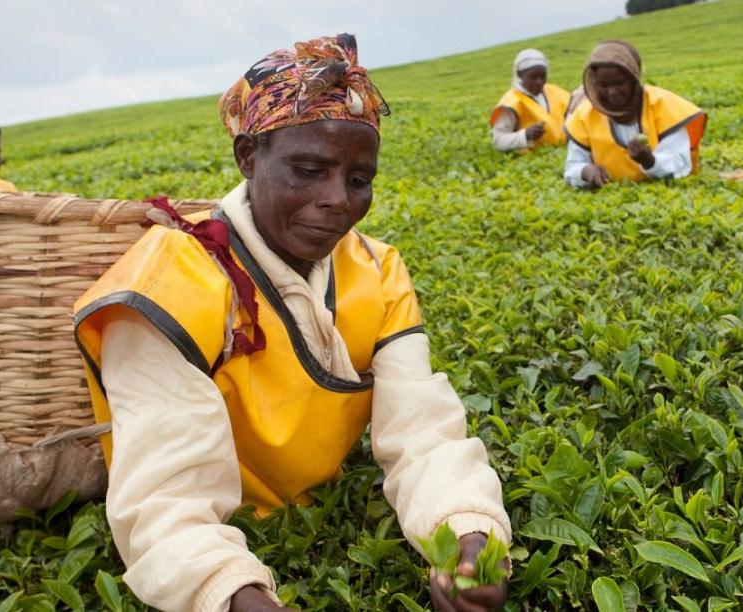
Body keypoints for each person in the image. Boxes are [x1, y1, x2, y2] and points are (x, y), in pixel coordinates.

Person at [72, 34, 511, 612]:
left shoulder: (379, 269)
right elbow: (164, 500)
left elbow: (422, 429)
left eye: (359, 180)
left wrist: (467, 533)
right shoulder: (169, 283)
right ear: (249, 157)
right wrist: (229, 593)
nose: (338, 201)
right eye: (309, 169)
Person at [563, 40, 706, 189]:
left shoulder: (663, 105)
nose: (612, 92)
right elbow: (572, 167)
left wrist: (650, 161)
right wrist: (585, 171)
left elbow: (680, 163)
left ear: (633, 79)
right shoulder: (584, 116)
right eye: (603, 85)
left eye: (619, 83)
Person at [490, 49, 572, 152]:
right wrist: (525, 135)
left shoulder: (555, 91)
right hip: (535, 159)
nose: (539, 82)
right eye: (533, 77)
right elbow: (498, 141)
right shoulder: (511, 102)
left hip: (565, 151)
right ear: (520, 75)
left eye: (543, 76)